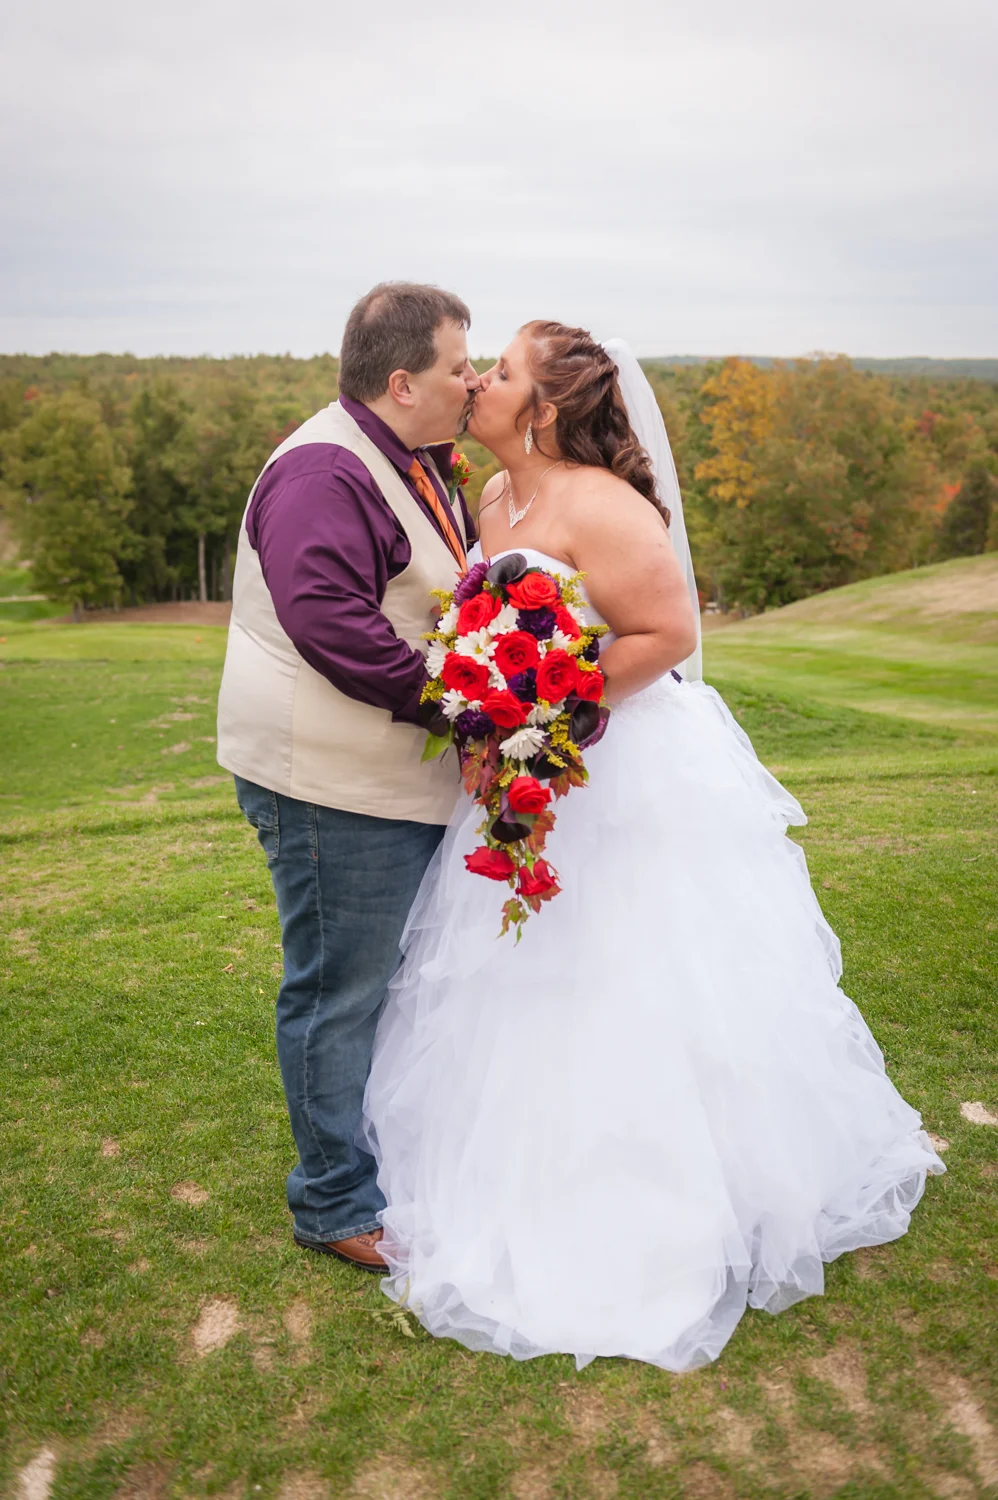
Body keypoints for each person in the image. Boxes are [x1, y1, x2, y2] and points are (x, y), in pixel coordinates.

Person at [361, 321, 945, 1370]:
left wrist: (548, 715)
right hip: (528, 766)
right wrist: (493, 721)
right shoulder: (492, 502)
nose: (480, 380)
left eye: (501, 371)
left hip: (619, 767)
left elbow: (666, 636)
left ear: (543, 408)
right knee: (520, 971)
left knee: (631, 967)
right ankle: (523, 1172)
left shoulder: (603, 504)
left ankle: (660, 1196)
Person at [217, 282, 479, 1270]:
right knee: (340, 991)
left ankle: (381, 1163)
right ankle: (333, 1204)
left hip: (383, 778)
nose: (473, 381)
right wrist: (464, 706)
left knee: (388, 985)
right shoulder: (324, 471)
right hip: (326, 784)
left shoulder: (410, 456)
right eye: (459, 366)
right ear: (403, 382)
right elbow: (333, 624)